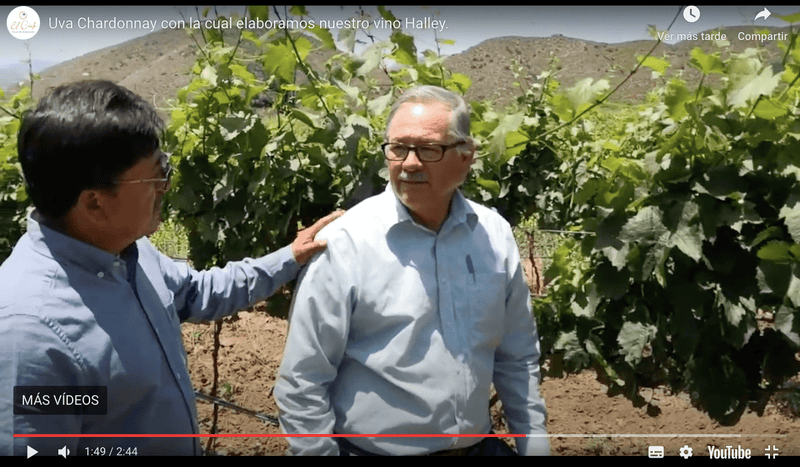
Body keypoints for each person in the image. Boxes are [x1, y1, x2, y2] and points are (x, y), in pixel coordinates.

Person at [0, 80, 342, 456]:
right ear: (94, 203)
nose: (166, 185)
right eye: (156, 175)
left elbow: (196, 293)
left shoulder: (129, 253)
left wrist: (290, 256)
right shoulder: (31, 334)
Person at [274, 85, 549, 456]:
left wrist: (534, 446)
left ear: (467, 155)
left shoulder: (494, 235)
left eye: (428, 149)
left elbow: (517, 357)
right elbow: (303, 379)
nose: (410, 163)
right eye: (398, 148)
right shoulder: (345, 243)